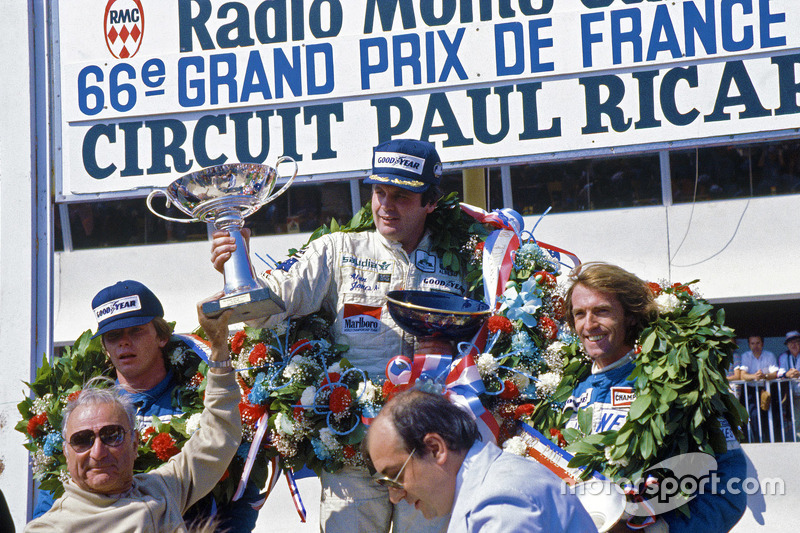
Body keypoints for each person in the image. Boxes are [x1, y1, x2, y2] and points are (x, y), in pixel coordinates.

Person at [210, 139, 463, 533]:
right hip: (352, 447)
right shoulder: (339, 250)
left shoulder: (464, 257)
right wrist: (238, 266)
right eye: (379, 192)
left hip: (429, 450)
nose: (385, 205)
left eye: (401, 196)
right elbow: (275, 305)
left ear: (430, 202)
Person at [32, 280, 260, 532]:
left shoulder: (160, 489)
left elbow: (219, 441)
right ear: (66, 450)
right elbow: (45, 507)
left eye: (112, 436)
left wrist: (218, 349)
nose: (97, 451)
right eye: (113, 335)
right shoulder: (54, 524)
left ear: (134, 443)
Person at [563, 262, 747, 533]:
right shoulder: (570, 391)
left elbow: (728, 488)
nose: (589, 324)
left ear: (630, 316)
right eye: (580, 314)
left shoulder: (679, 382)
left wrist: (657, 530)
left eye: (602, 311)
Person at [363, 389, 598, 533]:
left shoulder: (500, 500)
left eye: (396, 476)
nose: (394, 496)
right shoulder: (494, 484)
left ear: (435, 449)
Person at [736, 335, 781, 442]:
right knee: (753, 415)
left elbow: (775, 373)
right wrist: (755, 377)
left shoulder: (769, 355)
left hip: (767, 389)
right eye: (752, 343)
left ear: (762, 344)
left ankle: (771, 441)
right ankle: (757, 440)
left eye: (758, 343)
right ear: (749, 345)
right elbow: (743, 375)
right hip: (751, 391)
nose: (755, 346)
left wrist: (764, 376)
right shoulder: (745, 356)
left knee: (771, 415)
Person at [777, 330, 800, 440]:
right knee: (795, 421)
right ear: (787, 345)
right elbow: (779, 373)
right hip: (793, 396)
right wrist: (787, 374)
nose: (794, 345)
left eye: (796, 342)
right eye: (791, 343)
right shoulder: (784, 356)